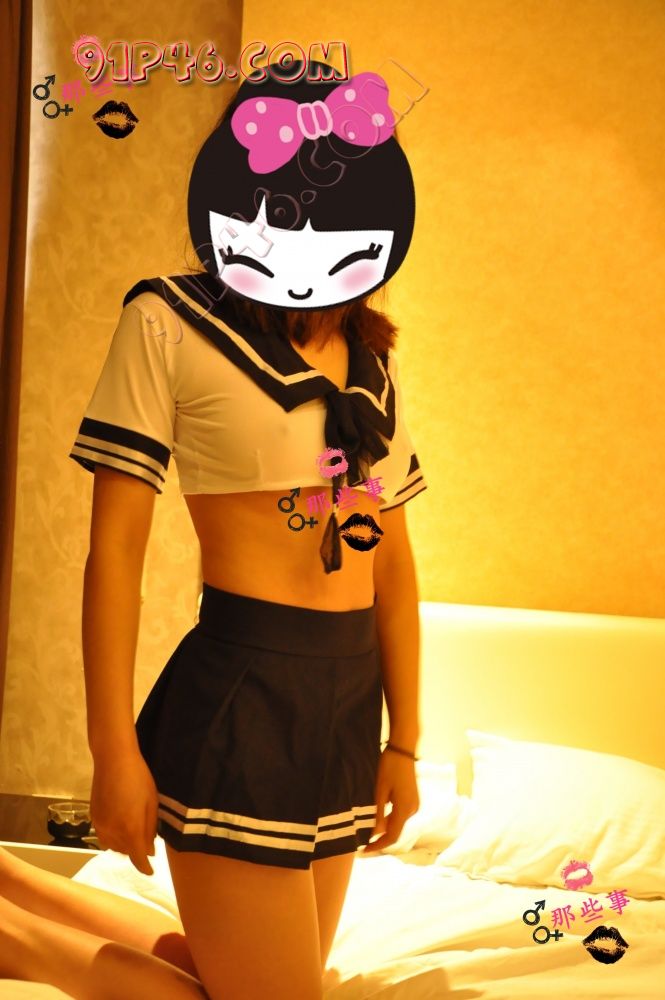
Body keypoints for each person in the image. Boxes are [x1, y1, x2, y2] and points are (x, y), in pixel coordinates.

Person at [0, 62, 428, 999]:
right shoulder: (169, 318)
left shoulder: (369, 356)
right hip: (244, 697)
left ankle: (12, 889)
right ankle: (17, 941)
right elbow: (115, 552)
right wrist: (113, 753)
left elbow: (391, 561)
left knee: (254, 977)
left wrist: (402, 742)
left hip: (345, 705)